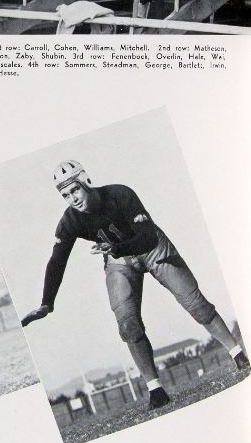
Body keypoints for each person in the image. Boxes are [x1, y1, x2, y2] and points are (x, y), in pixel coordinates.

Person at [21, 160, 249, 411]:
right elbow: (57, 261)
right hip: (119, 260)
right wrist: (46, 302)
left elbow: (148, 236)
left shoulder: (120, 194)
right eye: (65, 195)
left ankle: (237, 353)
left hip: (151, 247)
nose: (72, 198)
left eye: (74, 190)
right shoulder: (70, 220)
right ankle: (156, 389)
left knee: (196, 304)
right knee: (128, 325)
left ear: (86, 181)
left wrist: (118, 248)